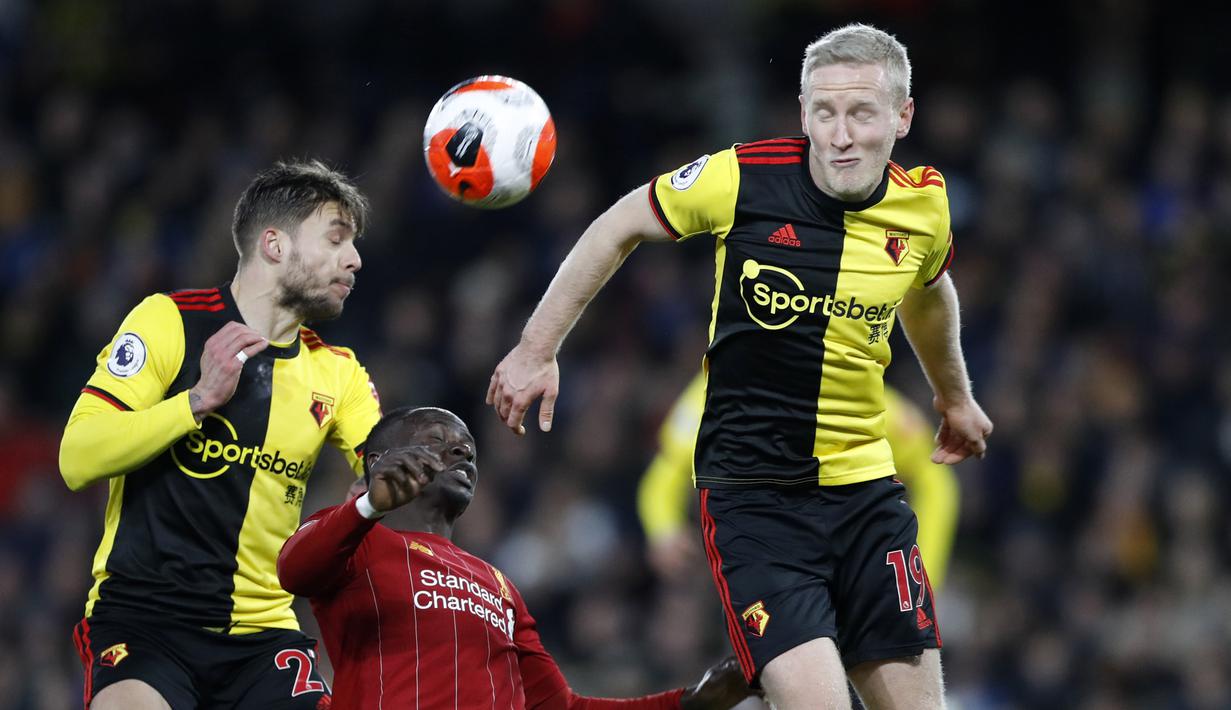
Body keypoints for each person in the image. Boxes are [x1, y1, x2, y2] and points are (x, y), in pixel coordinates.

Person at [488, 23, 992, 710]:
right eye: (823, 112)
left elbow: (928, 293)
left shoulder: (922, 206)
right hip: (755, 501)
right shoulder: (741, 177)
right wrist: (535, 348)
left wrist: (953, 397)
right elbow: (619, 223)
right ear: (802, 111)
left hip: (867, 496)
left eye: (861, 114)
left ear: (901, 117)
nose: (840, 135)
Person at [60, 160, 383, 709]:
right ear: (275, 245)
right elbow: (77, 457)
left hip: (264, 642)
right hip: (145, 622)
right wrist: (195, 403)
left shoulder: (339, 373)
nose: (354, 259)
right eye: (336, 239)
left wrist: (390, 481)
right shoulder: (169, 321)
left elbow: (386, 469)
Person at [277, 406, 753, 709]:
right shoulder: (356, 541)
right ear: (379, 463)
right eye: (437, 441)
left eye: (466, 449)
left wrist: (690, 703)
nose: (460, 451)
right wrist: (367, 507)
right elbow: (293, 569)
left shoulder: (497, 584)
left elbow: (560, 707)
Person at [638, 375, 959, 589]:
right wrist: (663, 528)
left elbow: (934, 479)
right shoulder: (710, 398)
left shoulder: (848, 392)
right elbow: (664, 474)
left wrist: (925, 574)